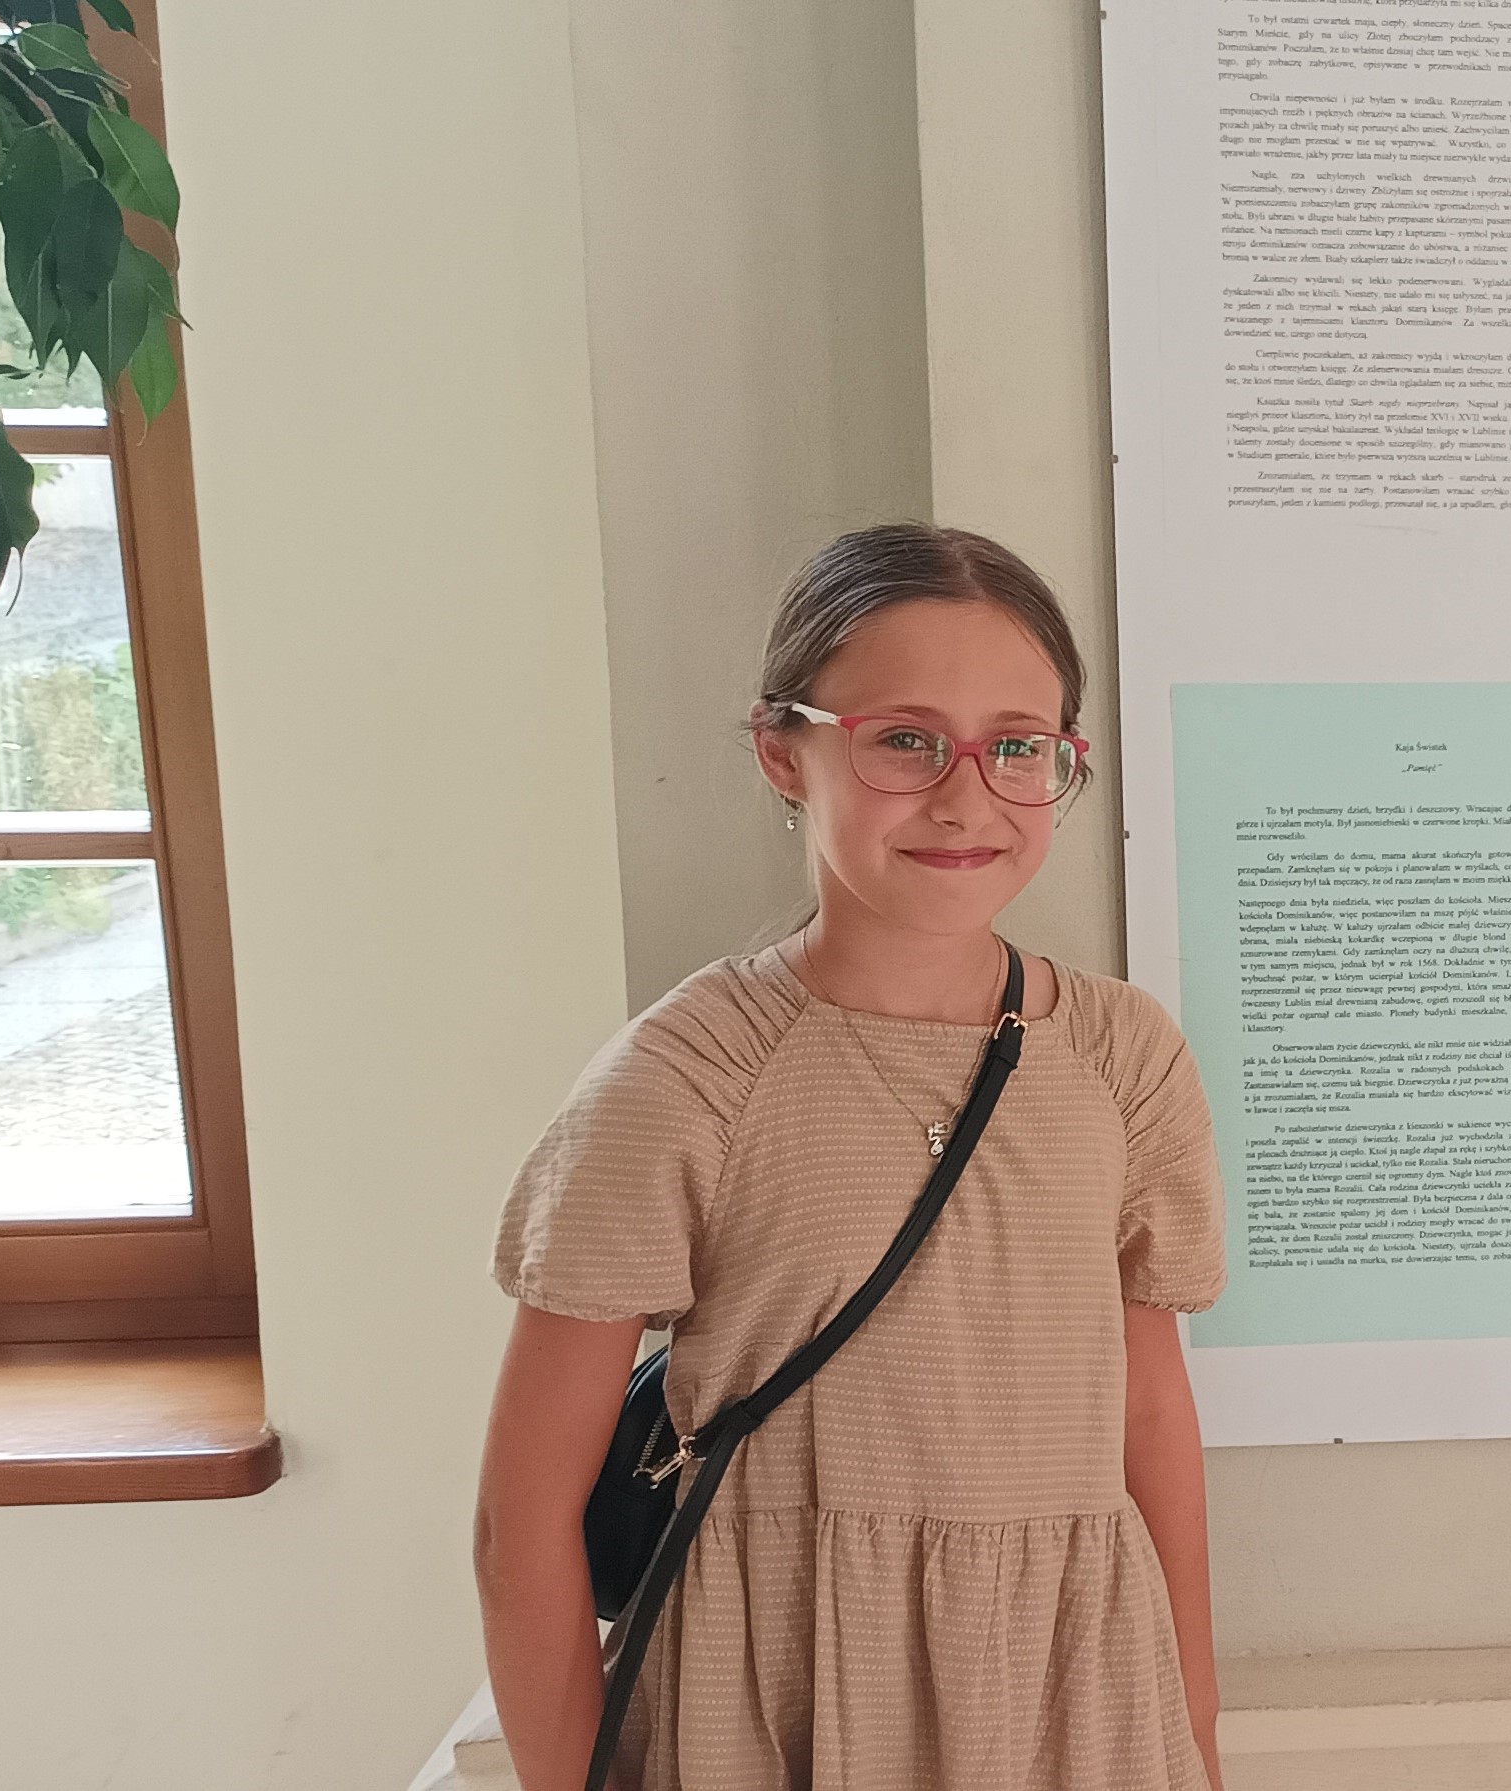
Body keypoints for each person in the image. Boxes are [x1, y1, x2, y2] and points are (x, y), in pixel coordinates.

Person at [471, 525, 1228, 1791]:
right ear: (784, 750)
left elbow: (1149, 1416)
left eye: (1017, 746)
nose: (965, 797)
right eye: (904, 739)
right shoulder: (685, 1077)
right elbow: (522, 1521)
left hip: (1075, 1688)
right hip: (777, 1687)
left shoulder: (1123, 1056)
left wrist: (1193, 1731)